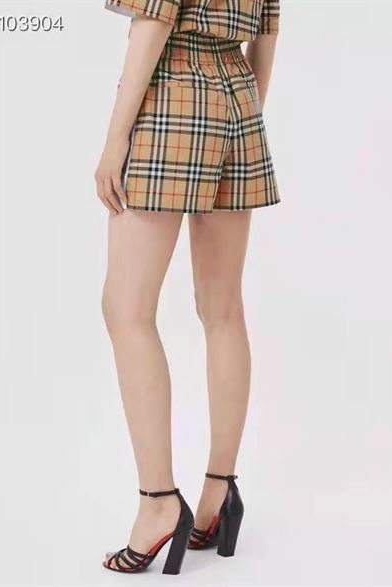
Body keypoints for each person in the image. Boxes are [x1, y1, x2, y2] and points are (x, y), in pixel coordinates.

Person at [95, 0, 280, 575]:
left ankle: (158, 503)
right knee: (222, 309)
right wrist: (241, 116)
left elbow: (154, 20)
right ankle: (219, 492)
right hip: (241, 103)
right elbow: (268, 32)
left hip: (172, 97)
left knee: (126, 309)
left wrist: (115, 140)